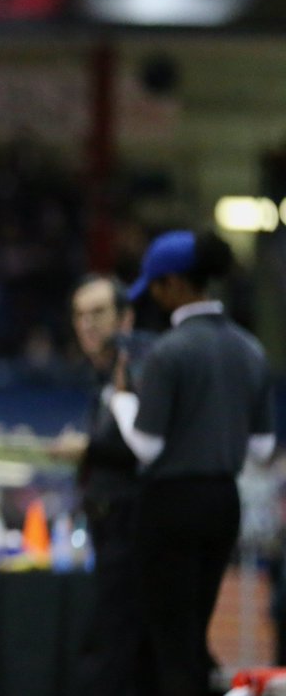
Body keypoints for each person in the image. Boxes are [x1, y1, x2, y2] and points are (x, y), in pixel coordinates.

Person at [107, 229, 276, 696]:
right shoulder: (250, 349)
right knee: (193, 632)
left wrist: (120, 400)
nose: (155, 298)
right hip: (224, 502)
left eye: (158, 287)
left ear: (175, 284)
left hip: (170, 505)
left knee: (173, 646)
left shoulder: (169, 352)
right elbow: (262, 449)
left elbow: (146, 446)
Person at [60, 275, 148, 696]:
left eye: (98, 313)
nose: (87, 324)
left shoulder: (143, 370)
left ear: (126, 318)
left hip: (137, 537)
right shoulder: (102, 379)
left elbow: (147, 449)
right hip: (108, 533)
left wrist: (86, 448)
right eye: (79, 315)